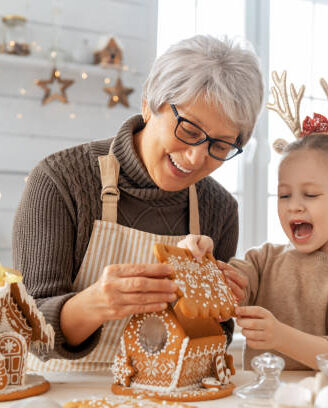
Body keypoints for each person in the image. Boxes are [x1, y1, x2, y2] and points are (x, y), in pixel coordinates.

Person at [12, 35, 264, 372]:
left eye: (220, 145)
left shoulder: (219, 207)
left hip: (169, 394)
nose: (195, 157)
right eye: (189, 129)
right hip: (66, 392)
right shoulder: (60, 181)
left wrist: (217, 307)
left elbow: (216, 340)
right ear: (149, 103)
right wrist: (97, 303)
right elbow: (27, 330)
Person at [178, 54, 328, 371]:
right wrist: (202, 261)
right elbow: (224, 291)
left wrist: (279, 336)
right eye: (284, 194)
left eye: (311, 194)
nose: (294, 205)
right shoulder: (262, 262)